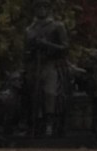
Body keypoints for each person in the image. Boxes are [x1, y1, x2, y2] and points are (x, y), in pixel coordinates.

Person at [24, 0, 69, 137]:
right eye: (38, 6)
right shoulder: (29, 29)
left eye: (44, 6)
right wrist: (30, 51)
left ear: (48, 8)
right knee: (31, 94)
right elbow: (25, 52)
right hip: (34, 66)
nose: (41, 9)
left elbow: (65, 48)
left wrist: (47, 45)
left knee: (49, 92)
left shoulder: (57, 26)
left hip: (51, 63)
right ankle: (31, 124)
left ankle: (50, 124)